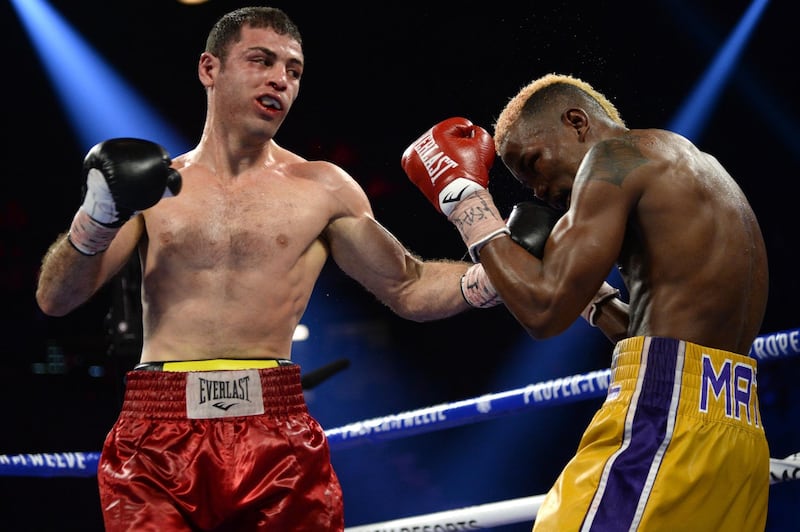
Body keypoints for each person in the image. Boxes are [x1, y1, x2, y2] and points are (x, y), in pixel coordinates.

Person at [34, 7, 488, 531]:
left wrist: (498, 273)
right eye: (261, 60)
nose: (280, 79)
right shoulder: (152, 188)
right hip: (157, 433)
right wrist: (96, 218)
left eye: (293, 71)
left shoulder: (323, 188)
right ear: (210, 69)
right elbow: (56, 297)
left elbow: (407, 287)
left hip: (275, 429)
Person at [400, 74, 770, 531]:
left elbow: (542, 311)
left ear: (577, 122)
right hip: (738, 432)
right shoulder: (696, 169)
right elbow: (669, 338)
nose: (537, 190)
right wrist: (591, 297)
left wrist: (464, 199)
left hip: (662, 425)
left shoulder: (612, 156)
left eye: (534, 163)